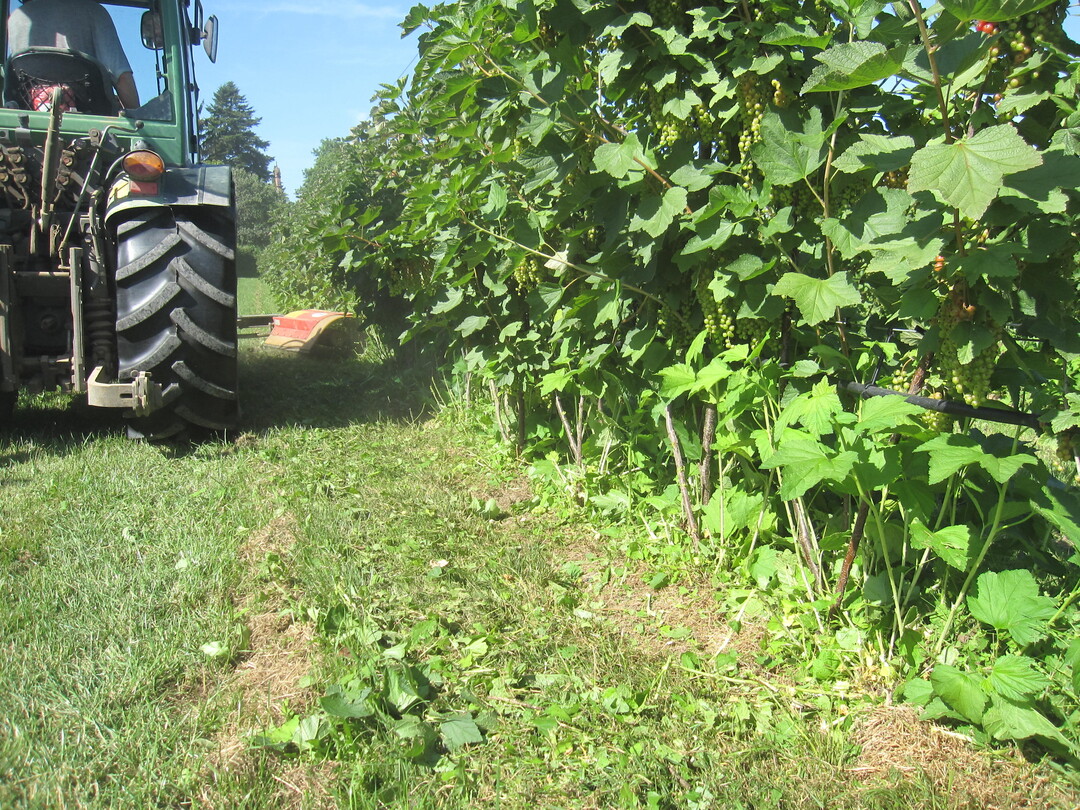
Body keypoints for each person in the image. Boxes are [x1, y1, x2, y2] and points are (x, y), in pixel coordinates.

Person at [7, 0, 139, 109]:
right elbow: (121, 78)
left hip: (28, 122)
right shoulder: (94, 11)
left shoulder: (16, 18)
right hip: (90, 126)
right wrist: (139, 121)